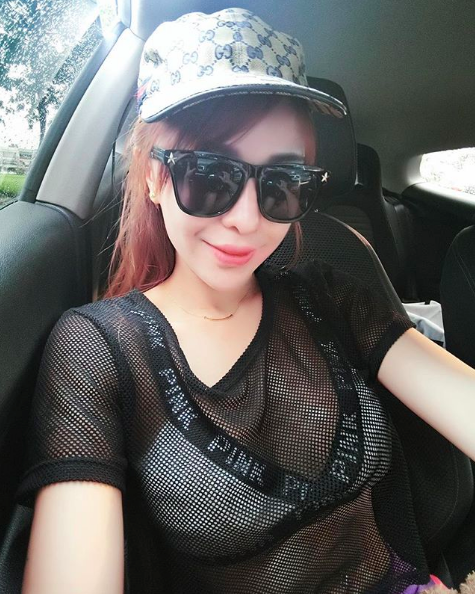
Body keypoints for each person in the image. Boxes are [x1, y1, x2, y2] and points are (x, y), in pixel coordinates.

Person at [14, 7, 475, 594]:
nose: (247, 219)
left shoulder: (333, 296)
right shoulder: (97, 348)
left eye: (282, 183)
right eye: (209, 175)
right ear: (154, 177)